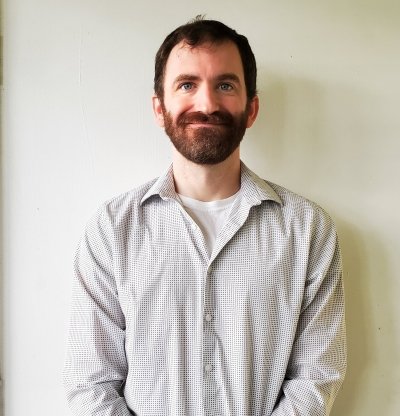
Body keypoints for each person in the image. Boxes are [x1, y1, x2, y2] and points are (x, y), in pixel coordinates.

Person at [63, 17, 346, 416]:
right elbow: (91, 382)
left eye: (225, 85)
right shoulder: (112, 229)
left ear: (252, 109)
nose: (207, 104)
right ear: (159, 108)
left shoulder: (308, 230)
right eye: (187, 85)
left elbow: (316, 377)